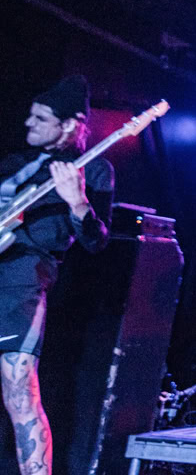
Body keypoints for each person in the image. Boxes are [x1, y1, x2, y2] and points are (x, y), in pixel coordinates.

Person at [0, 75, 113, 475]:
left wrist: (78, 203)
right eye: (30, 115)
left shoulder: (93, 170)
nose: (28, 123)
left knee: (19, 390)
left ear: (68, 124)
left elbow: (97, 241)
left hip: (21, 281)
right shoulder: (13, 164)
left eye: (41, 118)